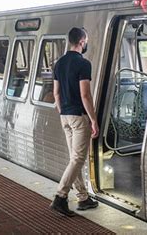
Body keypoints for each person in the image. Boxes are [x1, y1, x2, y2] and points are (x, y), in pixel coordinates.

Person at [50, 27, 100, 217]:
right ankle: (60, 196)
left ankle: (83, 197)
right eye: (85, 41)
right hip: (79, 117)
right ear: (81, 42)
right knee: (78, 159)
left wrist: (63, 111)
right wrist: (93, 120)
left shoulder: (59, 63)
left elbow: (56, 93)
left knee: (74, 159)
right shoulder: (83, 64)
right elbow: (85, 95)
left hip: (65, 116)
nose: (86, 44)